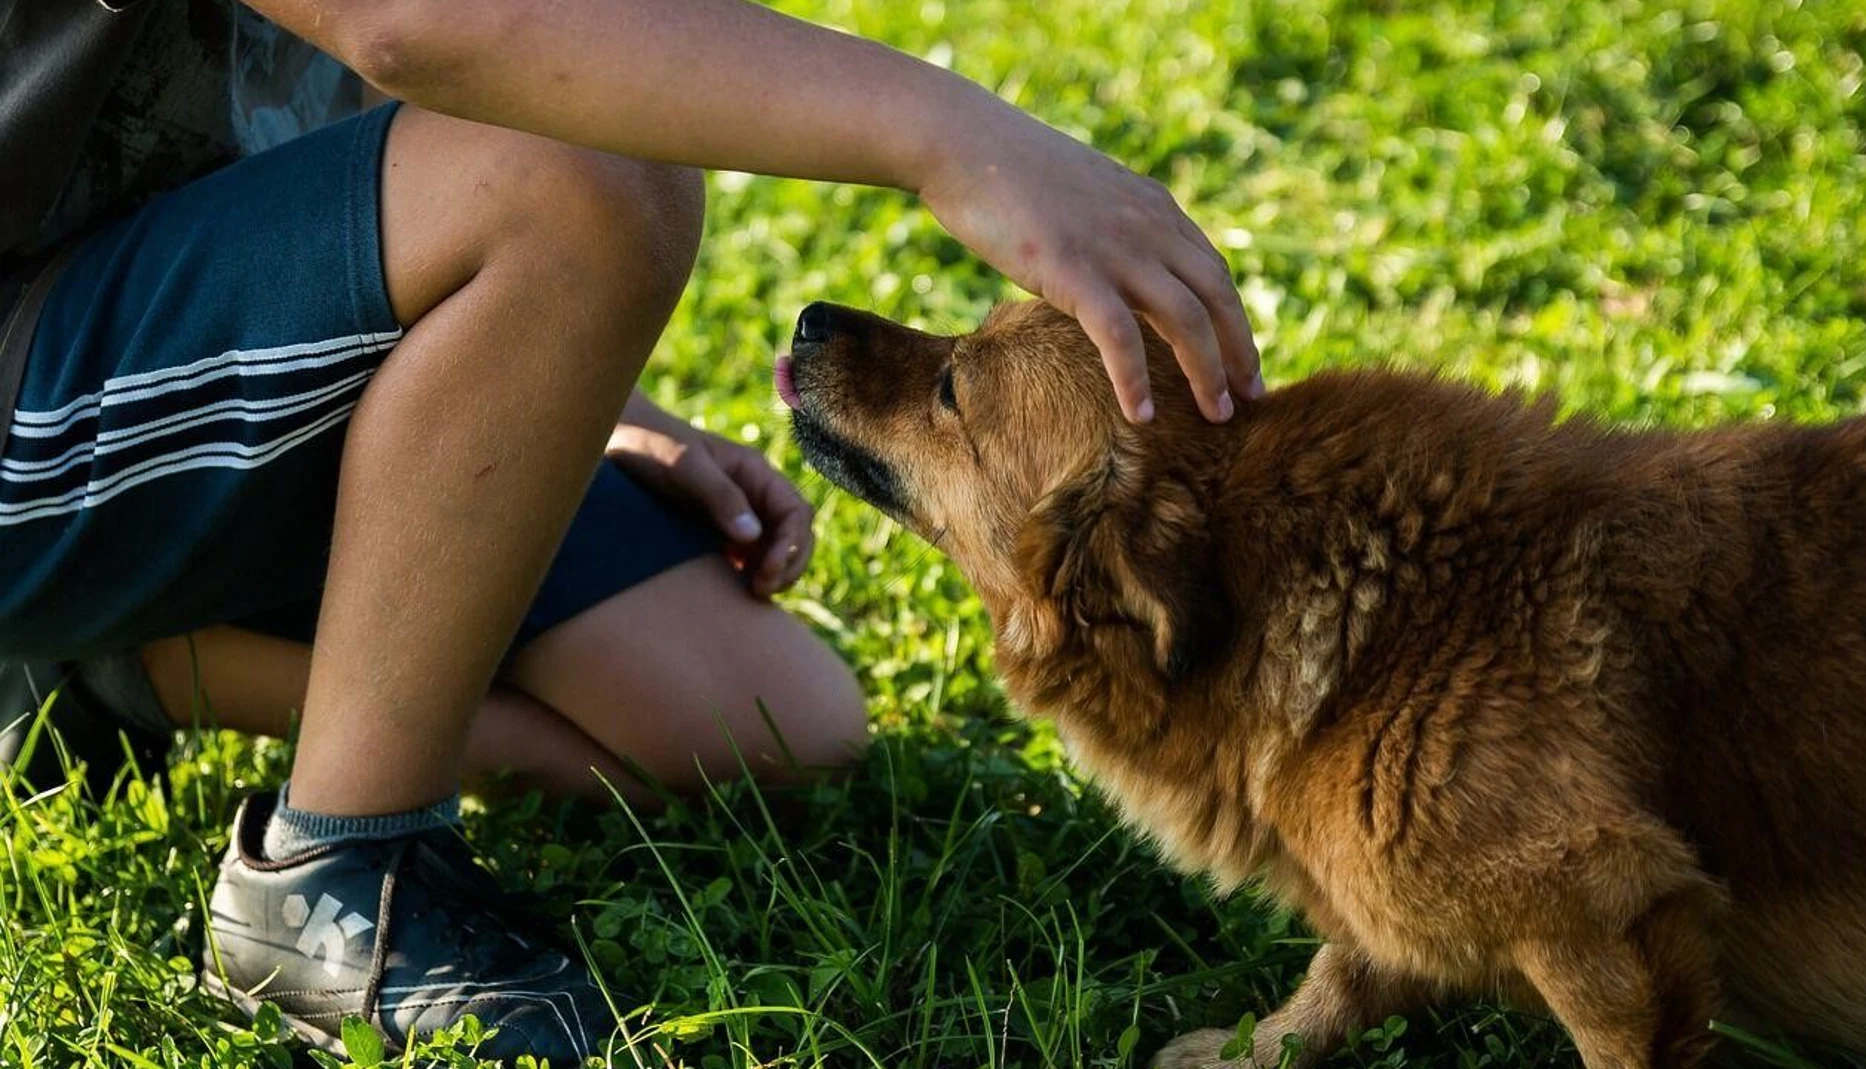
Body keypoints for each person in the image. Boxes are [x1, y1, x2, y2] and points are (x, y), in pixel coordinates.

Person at [0, 0, 1260, 1061]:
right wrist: (958, 140)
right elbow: (419, 22)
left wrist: (557, 380)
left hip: (177, 327)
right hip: (27, 367)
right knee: (588, 176)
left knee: (757, 721)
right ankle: (334, 876)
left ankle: (111, 664)